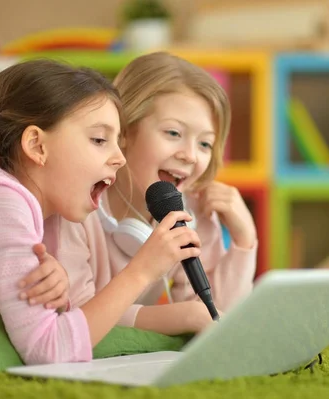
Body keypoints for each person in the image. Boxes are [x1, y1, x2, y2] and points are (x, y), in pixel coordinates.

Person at [0, 58, 202, 365]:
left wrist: (59, 289)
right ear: (37, 146)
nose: (119, 158)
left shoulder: (34, 211)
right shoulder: (0, 201)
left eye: (117, 143)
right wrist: (142, 271)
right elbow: (49, 348)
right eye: (99, 139)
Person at [35, 51, 258, 336]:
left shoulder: (192, 214)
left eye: (205, 144)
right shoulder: (74, 207)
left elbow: (218, 319)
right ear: (124, 132)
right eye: (174, 133)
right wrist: (182, 317)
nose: (190, 155)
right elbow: (77, 314)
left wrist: (244, 240)